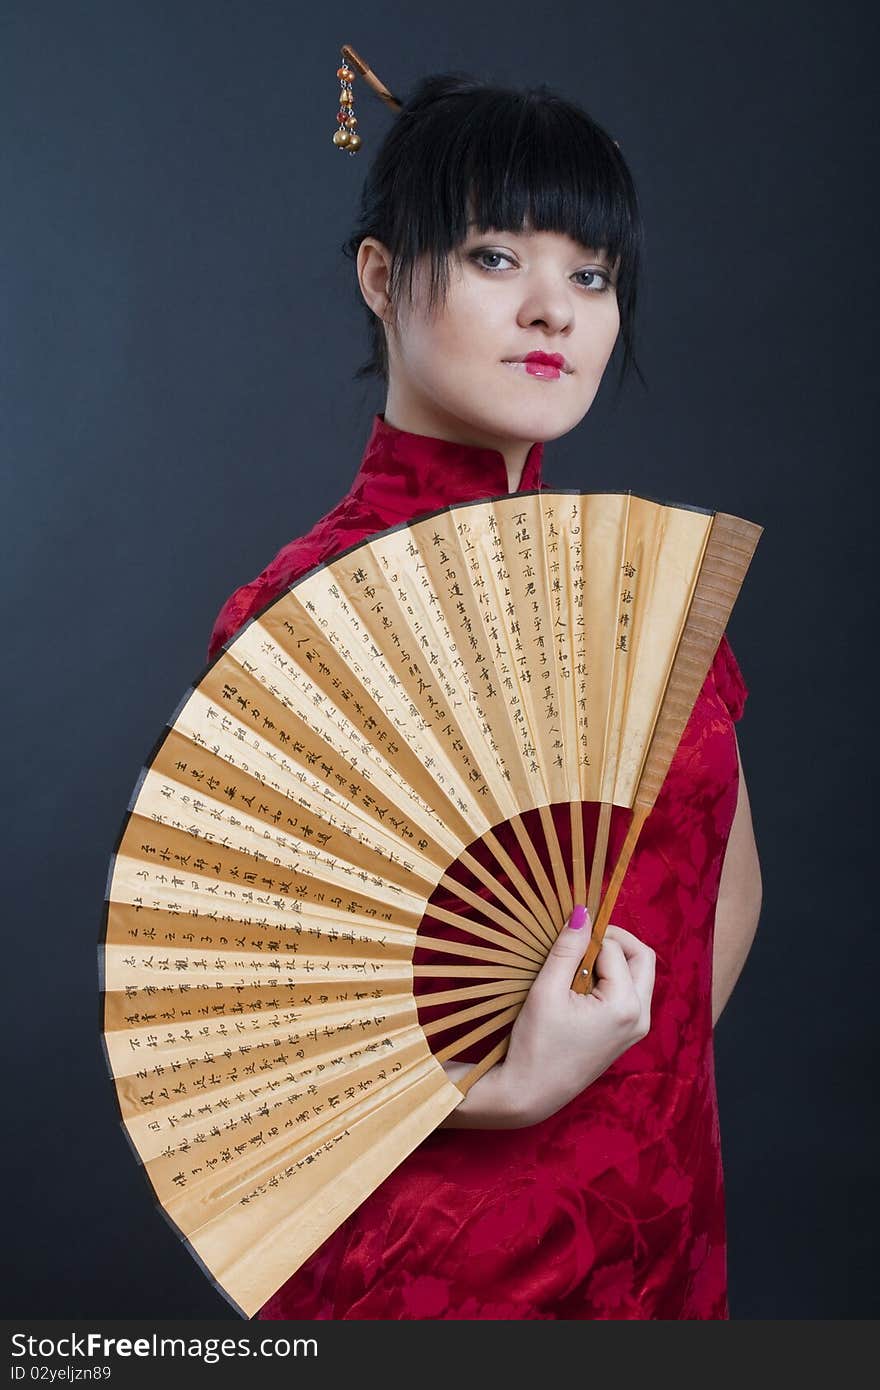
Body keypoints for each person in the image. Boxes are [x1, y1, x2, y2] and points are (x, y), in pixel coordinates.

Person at [207, 68, 762, 1320]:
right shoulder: (307, 610)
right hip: (433, 1262)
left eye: (591, 273)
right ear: (379, 277)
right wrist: (506, 1096)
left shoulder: (645, 588)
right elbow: (239, 1022)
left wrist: (634, 1093)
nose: (553, 311)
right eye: (496, 255)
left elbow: (727, 871)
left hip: (658, 1233)